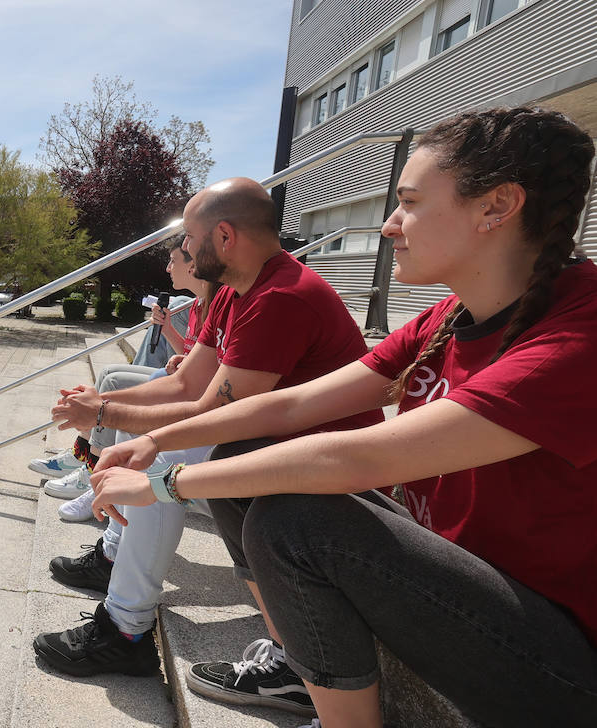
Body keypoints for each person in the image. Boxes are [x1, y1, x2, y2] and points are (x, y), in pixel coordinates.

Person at [86, 107, 597, 727]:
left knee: (299, 519)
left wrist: (163, 482)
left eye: (408, 203)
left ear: (497, 206)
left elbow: (358, 456)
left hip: (554, 659)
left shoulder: (577, 335)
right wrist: (154, 442)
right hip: (471, 583)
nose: (390, 226)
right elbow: (293, 403)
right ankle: (297, 667)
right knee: (246, 463)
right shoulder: (451, 315)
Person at [33, 177, 380, 706]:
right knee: (152, 439)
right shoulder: (236, 291)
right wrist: (109, 413)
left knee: (162, 459)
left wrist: (105, 414)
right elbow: (185, 384)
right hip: (266, 443)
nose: (185, 253)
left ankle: (125, 630)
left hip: (327, 469)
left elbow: (211, 410)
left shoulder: (280, 298)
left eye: (190, 239)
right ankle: (115, 567)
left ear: (223, 236)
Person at [37, 239, 217, 516]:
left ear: (193, 265)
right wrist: (169, 331)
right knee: (109, 375)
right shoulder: (197, 307)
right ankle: (90, 460)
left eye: (173, 261)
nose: (168, 268)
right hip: (183, 381)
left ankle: (93, 471)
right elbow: (195, 357)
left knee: (112, 389)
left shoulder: (216, 305)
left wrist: (99, 404)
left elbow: (200, 378)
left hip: (196, 396)